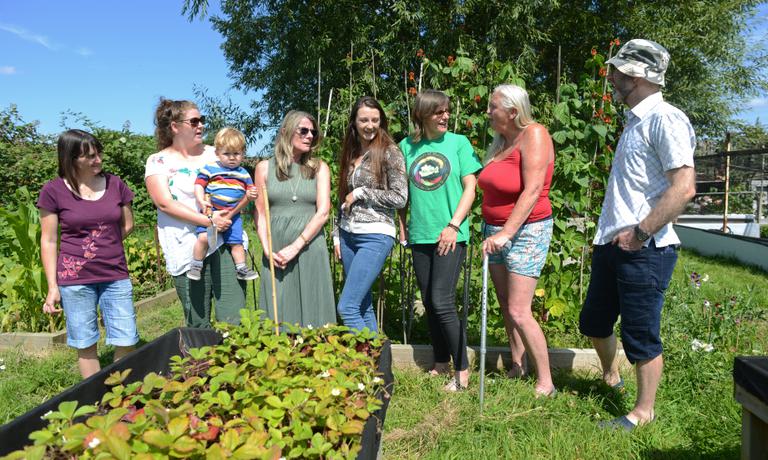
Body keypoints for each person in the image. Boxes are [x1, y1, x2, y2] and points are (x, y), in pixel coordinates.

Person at [579, 39, 696, 430]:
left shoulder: (666, 118)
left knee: (640, 335)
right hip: (612, 243)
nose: (610, 77)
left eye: (617, 71)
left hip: (645, 248)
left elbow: (683, 187)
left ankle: (643, 412)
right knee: (594, 323)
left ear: (638, 75)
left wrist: (641, 233)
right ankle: (611, 376)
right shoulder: (636, 122)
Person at [398, 89, 482, 391]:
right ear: (422, 115)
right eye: (438, 112)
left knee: (441, 300)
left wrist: (453, 224)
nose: (445, 116)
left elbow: (470, 187)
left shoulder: (459, 143)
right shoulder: (406, 146)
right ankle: (440, 361)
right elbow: (401, 193)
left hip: (450, 233)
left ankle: (462, 371)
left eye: (446, 111)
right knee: (430, 303)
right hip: (420, 234)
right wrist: (403, 226)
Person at [39, 129, 138, 379]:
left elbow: (127, 225)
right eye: (90, 156)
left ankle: (121, 397)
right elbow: (49, 240)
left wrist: (103, 246)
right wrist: (53, 286)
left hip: (115, 274)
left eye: (98, 154)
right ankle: (96, 402)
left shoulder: (116, 184)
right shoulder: (53, 191)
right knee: (85, 344)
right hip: (75, 281)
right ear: (72, 159)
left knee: (126, 337)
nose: (98, 160)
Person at [479, 84, 556, 397]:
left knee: (519, 310)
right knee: (506, 306)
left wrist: (507, 232)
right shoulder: (501, 142)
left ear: (513, 111)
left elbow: (533, 189)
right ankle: (518, 365)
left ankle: (546, 382)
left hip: (526, 231)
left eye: (492, 107)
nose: (487, 112)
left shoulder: (534, 134)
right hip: (494, 231)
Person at [145, 99, 247, 328]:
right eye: (194, 121)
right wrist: (208, 220)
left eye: (202, 120)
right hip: (185, 247)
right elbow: (164, 203)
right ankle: (201, 364)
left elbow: (240, 186)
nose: (201, 125)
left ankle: (235, 361)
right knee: (198, 322)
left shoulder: (216, 154)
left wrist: (227, 216)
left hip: (224, 243)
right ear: (174, 126)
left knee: (234, 318)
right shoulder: (158, 161)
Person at [254, 110, 336, 327]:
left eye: (313, 132)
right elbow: (261, 213)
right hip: (276, 248)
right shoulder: (263, 168)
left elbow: (323, 212)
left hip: (309, 245)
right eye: (304, 130)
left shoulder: (320, 168)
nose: (310, 135)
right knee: (278, 306)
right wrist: (266, 247)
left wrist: (297, 245)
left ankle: (316, 355)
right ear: (285, 131)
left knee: (313, 302)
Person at [332, 96, 408, 332]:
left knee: (347, 307)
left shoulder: (389, 152)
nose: (370, 125)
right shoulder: (351, 152)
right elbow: (342, 196)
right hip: (347, 235)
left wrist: (363, 192)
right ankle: (377, 364)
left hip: (375, 235)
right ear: (354, 122)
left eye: (375, 120)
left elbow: (400, 197)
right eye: (363, 120)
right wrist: (336, 235)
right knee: (362, 305)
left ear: (381, 122)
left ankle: (365, 364)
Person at [189, 127, 259, 281]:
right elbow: (199, 185)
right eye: (227, 154)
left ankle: (241, 268)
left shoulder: (243, 173)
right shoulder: (210, 169)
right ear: (217, 153)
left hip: (233, 214)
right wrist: (201, 201)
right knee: (203, 238)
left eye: (236, 154)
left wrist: (253, 194)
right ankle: (196, 265)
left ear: (242, 153)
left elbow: (251, 190)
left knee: (236, 242)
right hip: (211, 211)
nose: (232, 158)